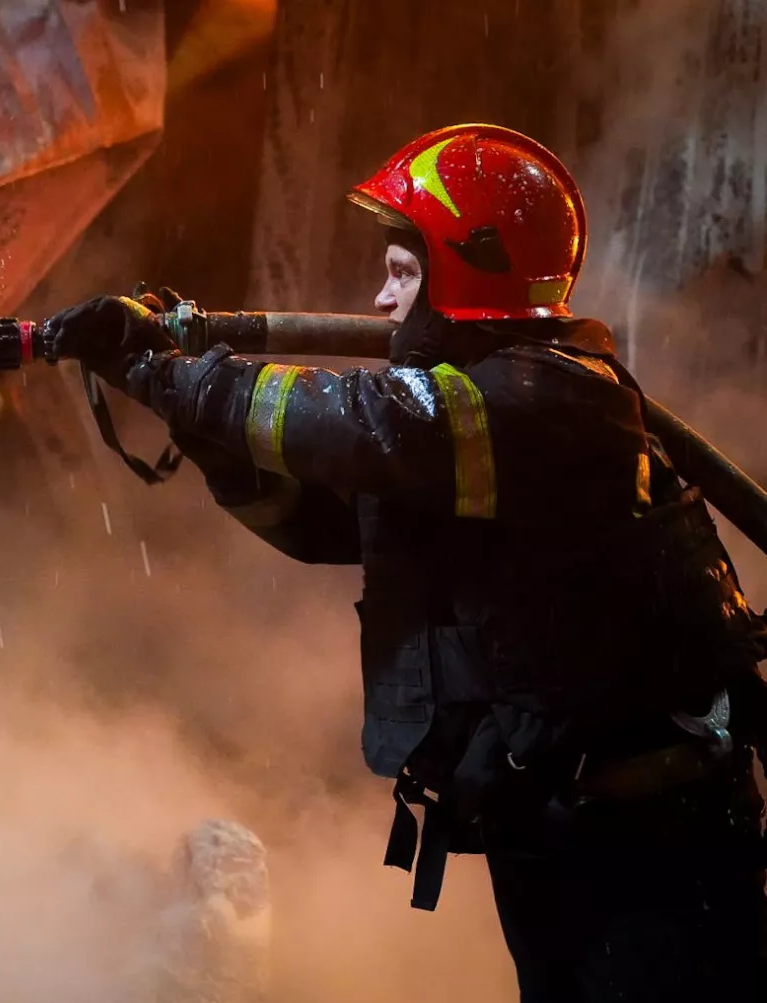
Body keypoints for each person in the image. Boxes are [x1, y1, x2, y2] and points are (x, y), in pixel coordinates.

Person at [45, 123, 767, 1000]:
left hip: (655, 855)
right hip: (562, 834)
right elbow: (321, 523)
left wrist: (167, 372)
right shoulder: (472, 436)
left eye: (401, 273)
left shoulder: (548, 401)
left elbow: (359, 425)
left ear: (471, 267)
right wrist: (204, 431)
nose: (380, 300)